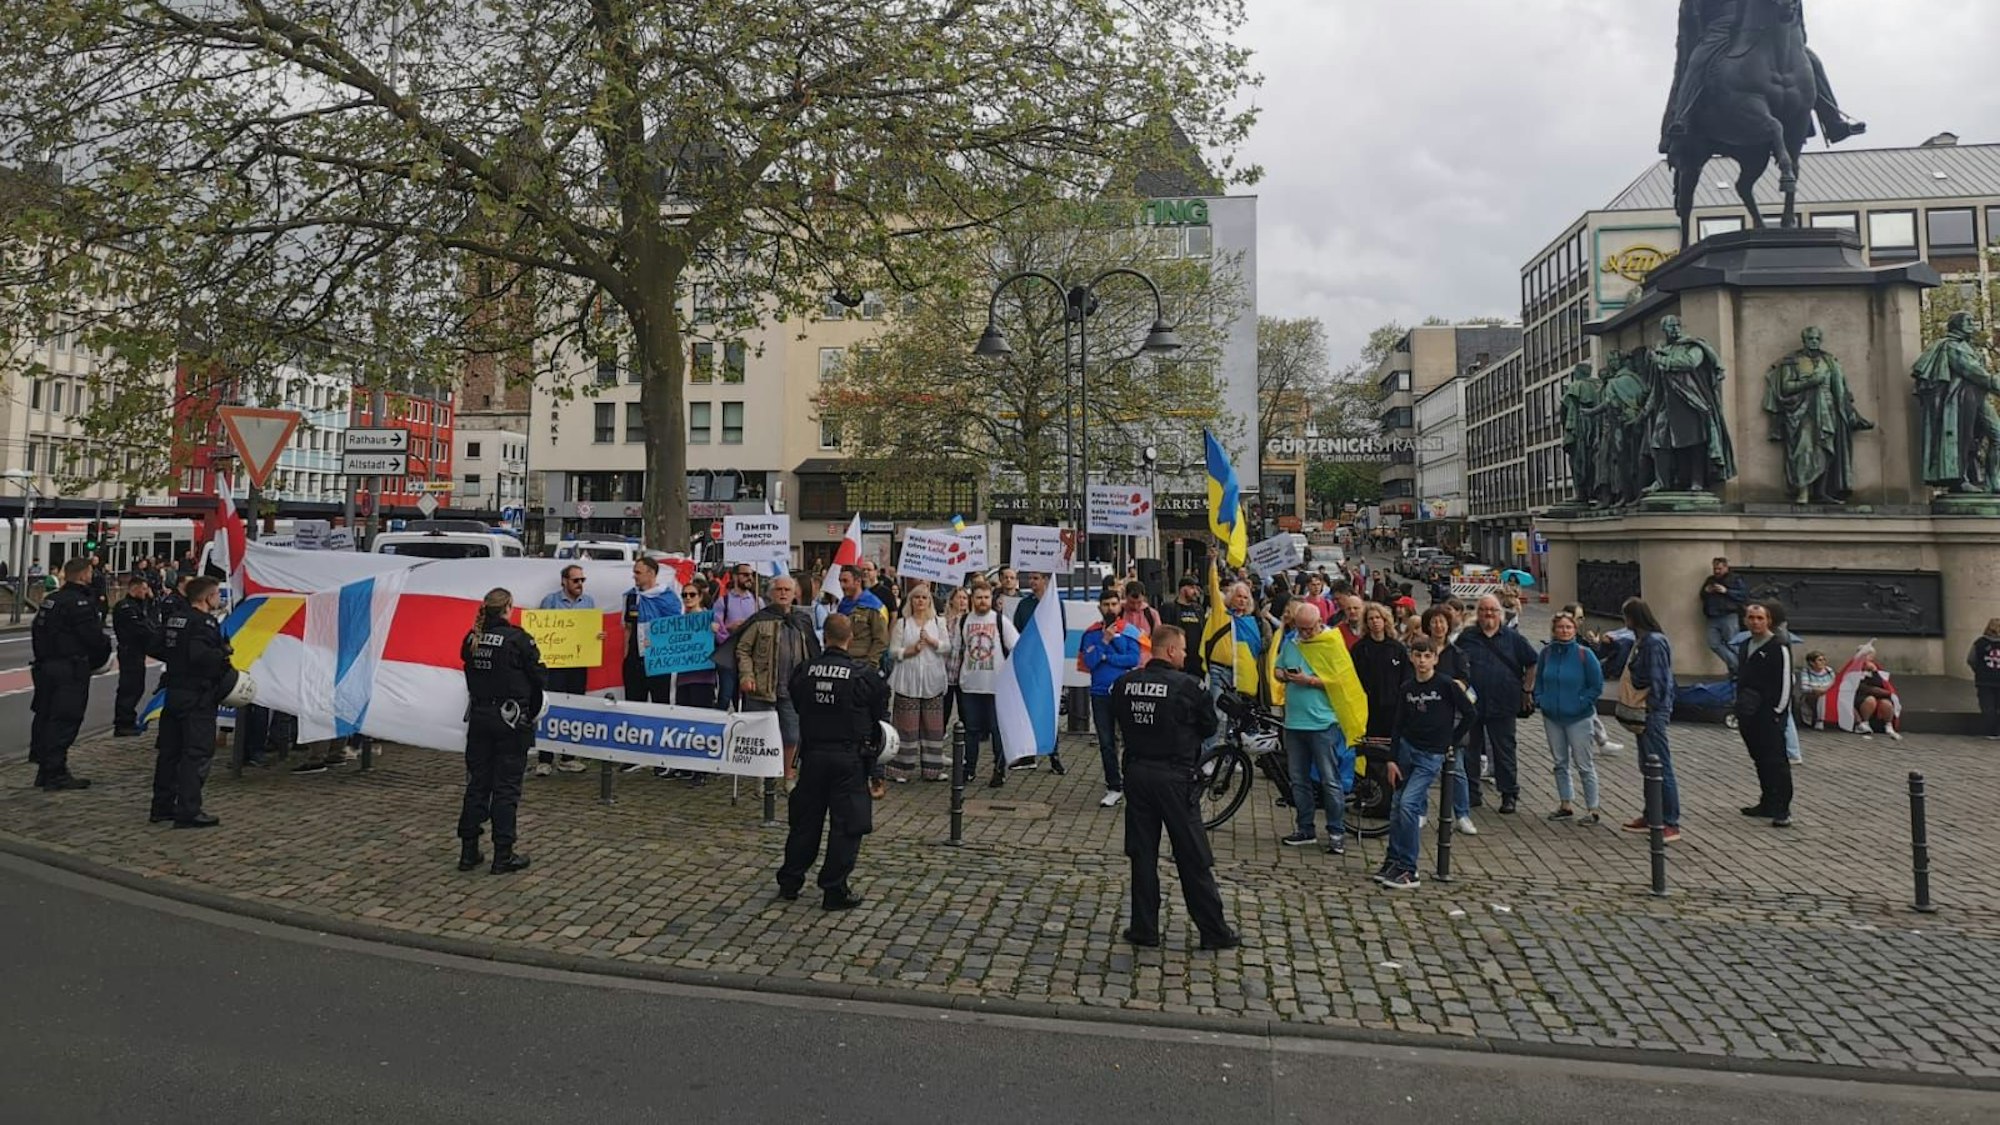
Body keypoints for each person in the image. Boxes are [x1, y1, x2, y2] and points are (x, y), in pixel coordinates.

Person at [1111, 625, 1237, 950]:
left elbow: (1118, 721)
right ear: (1169, 651)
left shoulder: (1125, 684)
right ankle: (1214, 931)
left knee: (1142, 855)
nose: (1185, 655)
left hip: (1137, 775)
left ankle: (1144, 928)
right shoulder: (1189, 686)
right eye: (1182, 649)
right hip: (1176, 778)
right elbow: (1209, 725)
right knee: (1192, 856)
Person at [775, 613, 889, 911]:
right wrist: (877, 771)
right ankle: (834, 889)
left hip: (812, 756)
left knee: (804, 823)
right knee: (847, 827)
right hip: (849, 759)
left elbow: (797, 703)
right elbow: (879, 719)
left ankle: (790, 881)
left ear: (824, 637)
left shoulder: (804, 671)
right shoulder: (863, 676)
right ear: (850, 638)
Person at [1375, 638, 1477, 891]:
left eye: (1427, 656)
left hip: (1431, 755)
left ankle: (1410, 869)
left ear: (1435, 658)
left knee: (1410, 805)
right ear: (1411, 657)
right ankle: (1394, 860)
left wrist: (1450, 741)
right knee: (1397, 805)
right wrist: (1392, 759)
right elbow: (1398, 725)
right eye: (1417, 656)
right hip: (1407, 751)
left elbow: (1470, 713)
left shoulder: (1446, 685)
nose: (1422, 661)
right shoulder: (1407, 687)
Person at [458, 588, 545, 874]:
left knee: (477, 785)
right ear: (508, 606)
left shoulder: (473, 638)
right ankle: (503, 855)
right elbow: (538, 679)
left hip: (480, 718)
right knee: (506, 788)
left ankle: (469, 852)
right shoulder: (518, 639)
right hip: (510, 720)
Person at [148, 576, 231, 827]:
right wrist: (223, 654)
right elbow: (202, 656)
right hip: (197, 695)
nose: (219, 599)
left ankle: (162, 806)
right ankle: (188, 810)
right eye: (217, 594)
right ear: (207, 598)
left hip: (174, 691)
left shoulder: (176, 618)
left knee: (170, 753)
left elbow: (156, 645)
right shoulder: (203, 622)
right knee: (196, 753)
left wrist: (177, 661)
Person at [1274, 603, 1352, 855]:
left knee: (1330, 780)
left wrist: (1311, 681)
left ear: (1319, 623)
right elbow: (1276, 668)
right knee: (1298, 780)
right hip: (1294, 722)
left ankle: (1336, 831)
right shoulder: (1292, 642)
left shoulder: (1331, 643)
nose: (1305, 633)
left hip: (1322, 723)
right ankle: (1305, 828)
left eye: (1309, 629)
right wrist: (1284, 675)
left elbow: (1342, 681)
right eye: (1300, 628)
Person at [31, 557, 112, 789]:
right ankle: (55, 773)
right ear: (84, 574)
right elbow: (94, 639)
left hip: (46, 666)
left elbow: (38, 632)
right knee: (65, 719)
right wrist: (97, 657)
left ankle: (46, 769)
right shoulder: (79, 603)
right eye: (90, 572)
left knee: (47, 717)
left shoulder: (52, 601)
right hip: (70, 669)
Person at [1457, 594, 1538, 816]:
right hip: (1472, 705)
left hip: (1503, 704)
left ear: (1500, 613)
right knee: (1470, 751)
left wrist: (1527, 690)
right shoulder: (1467, 637)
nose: (1488, 614)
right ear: (1478, 613)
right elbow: (1455, 661)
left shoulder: (1513, 638)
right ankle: (1472, 794)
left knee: (1504, 752)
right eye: (1483, 610)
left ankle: (1509, 794)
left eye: (1492, 610)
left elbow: (1532, 662)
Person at [738, 575, 822, 785]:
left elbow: (813, 652)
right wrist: (746, 674)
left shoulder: (803, 621)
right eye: (779, 590)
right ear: (771, 593)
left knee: (792, 735)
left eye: (787, 590)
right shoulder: (760, 620)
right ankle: (760, 775)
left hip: (793, 690)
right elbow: (743, 648)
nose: (783, 593)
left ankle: (788, 774)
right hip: (762, 686)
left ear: (795, 594)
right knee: (759, 736)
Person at [1619, 597, 1681, 842]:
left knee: (1659, 765)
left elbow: (1659, 681)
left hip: (1651, 711)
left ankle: (1670, 821)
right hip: (1648, 710)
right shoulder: (1643, 640)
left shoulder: (1653, 642)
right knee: (1648, 765)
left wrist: (1652, 708)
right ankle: (1652, 814)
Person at [1534, 611, 1605, 825]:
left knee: (1584, 764)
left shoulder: (1585, 654)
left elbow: (1596, 685)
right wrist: (1540, 699)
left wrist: (1582, 703)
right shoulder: (1546, 653)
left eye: (1568, 627)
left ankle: (1592, 809)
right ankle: (1565, 803)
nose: (1564, 631)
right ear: (1554, 630)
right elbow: (1539, 680)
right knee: (1560, 762)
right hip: (1552, 716)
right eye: (1560, 627)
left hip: (1578, 718)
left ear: (1575, 630)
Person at [1081, 587, 1143, 809]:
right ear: (1100, 607)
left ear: (1120, 606)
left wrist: (1107, 656)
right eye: (1106, 604)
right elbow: (1089, 662)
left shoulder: (1130, 631)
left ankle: (1132, 783)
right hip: (1100, 694)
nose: (1110, 608)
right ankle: (1114, 786)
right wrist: (1104, 642)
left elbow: (1132, 659)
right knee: (1107, 743)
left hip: (1124, 693)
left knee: (1131, 741)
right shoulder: (1091, 633)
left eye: (1114, 604)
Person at [1736, 601, 1795, 828]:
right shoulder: (1745, 645)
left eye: (1760, 618)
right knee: (1760, 759)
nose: (1755, 622)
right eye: (1751, 617)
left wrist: (1778, 712)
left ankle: (1783, 808)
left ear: (1768, 620)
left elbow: (1785, 682)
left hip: (1770, 714)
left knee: (1776, 762)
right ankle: (1767, 801)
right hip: (1749, 712)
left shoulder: (1778, 646)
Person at [533, 564, 595, 776]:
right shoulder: (550, 601)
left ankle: (568, 757)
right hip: (555, 665)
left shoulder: (589, 602)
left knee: (574, 709)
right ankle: (545, 759)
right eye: (576, 580)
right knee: (551, 708)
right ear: (564, 581)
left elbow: (590, 631)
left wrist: (597, 637)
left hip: (578, 665)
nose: (580, 584)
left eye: (582, 580)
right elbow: (539, 631)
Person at [885, 586, 951, 782]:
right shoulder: (902, 624)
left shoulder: (938, 622)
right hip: (908, 679)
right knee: (906, 727)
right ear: (911, 601)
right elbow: (892, 651)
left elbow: (947, 647)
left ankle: (932, 769)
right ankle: (900, 769)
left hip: (932, 679)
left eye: (924, 597)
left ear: (929, 601)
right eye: (917, 598)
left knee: (933, 727)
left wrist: (932, 641)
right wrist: (909, 651)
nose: (920, 601)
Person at [955, 581, 1018, 786]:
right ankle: (969, 769)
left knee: (996, 730)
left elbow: (1016, 646)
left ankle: (999, 770)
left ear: (991, 598)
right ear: (972, 599)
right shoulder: (964, 620)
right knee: (971, 731)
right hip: (970, 686)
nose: (983, 601)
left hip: (996, 687)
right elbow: (957, 649)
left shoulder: (1001, 621)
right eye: (979, 597)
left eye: (986, 597)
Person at [1421, 606, 1477, 836]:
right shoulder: (1421, 650)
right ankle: (1420, 812)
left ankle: (1462, 814)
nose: (1438, 626)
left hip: (1451, 716)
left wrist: (1448, 687)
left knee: (1457, 769)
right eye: (1434, 621)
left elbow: (1464, 682)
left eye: (1442, 622)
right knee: (1421, 767)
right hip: (1424, 714)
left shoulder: (1457, 654)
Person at [621, 556, 682, 706]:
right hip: (635, 662)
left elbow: (675, 629)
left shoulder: (668, 597)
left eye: (638, 572)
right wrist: (627, 656)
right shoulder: (631, 597)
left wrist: (658, 641)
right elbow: (628, 627)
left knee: (660, 704)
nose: (634, 576)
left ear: (651, 573)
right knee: (633, 705)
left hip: (658, 661)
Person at [1349, 603, 1407, 745]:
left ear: (1385, 620)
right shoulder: (1359, 649)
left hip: (1393, 708)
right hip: (1368, 707)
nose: (1375, 621)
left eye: (1378, 618)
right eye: (1370, 619)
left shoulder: (1397, 648)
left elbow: (1406, 677)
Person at [111, 572, 157, 736]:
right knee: (129, 688)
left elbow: (150, 623)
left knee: (136, 687)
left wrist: (151, 601)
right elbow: (141, 629)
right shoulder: (126, 607)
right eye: (144, 590)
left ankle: (128, 719)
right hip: (129, 651)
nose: (146, 593)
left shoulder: (138, 605)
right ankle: (123, 723)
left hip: (137, 651)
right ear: (135, 589)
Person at [712, 563, 763, 710]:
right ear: (735, 577)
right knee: (725, 695)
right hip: (729, 653)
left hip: (750, 655)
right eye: (745, 575)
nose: (750, 578)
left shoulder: (757, 601)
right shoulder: (723, 601)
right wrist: (729, 627)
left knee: (748, 696)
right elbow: (716, 627)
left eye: (751, 575)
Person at [1700, 557, 1750, 675]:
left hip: (1728, 615)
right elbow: (1702, 595)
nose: (1717, 571)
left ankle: (1740, 670)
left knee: (1733, 644)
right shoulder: (1710, 580)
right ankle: (1737, 666)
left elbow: (1743, 595)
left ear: (1726, 567)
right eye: (1715, 569)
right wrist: (1707, 591)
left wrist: (1726, 591)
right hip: (1712, 616)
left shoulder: (1735, 578)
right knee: (1713, 643)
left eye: (1719, 569)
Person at [836, 565, 889, 667]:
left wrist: (870, 664)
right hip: (843, 661)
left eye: (845, 581)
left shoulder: (873, 605)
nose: (842, 585)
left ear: (858, 581)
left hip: (862, 663)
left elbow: (881, 639)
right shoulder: (842, 605)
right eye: (840, 581)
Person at [1167, 575, 1208, 684]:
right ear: (1182, 589)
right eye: (1192, 588)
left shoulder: (1198, 609)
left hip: (1197, 661)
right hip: (1178, 659)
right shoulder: (1171, 608)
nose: (1195, 592)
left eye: (1196, 588)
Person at [940, 585, 970, 733]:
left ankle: (964, 738)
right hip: (945, 671)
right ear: (951, 600)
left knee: (965, 709)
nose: (963, 601)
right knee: (944, 708)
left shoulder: (970, 620)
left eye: (965, 598)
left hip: (962, 672)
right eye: (959, 597)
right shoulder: (942, 620)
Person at [1969, 622, 2000, 741]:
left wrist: (1979, 671)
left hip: (1984, 680)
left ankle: (1990, 732)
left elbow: (1971, 659)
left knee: (1987, 706)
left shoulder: (1980, 643)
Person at [1798, 649, 1835, 731]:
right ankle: (1819, 720)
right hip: (1813, 696)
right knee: (1821, 696)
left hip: (1829, 694)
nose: (1823, 662)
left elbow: (1834, 683)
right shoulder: (1806, 672)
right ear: (1812, 663)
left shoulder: (1829, 670)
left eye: (1824, 660)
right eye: (1820, 660)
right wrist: (1816, 689)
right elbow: (1804, 688)